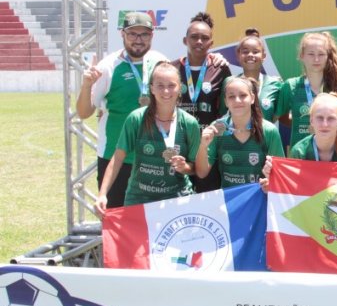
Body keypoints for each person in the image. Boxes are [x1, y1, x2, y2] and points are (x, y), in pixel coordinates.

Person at [76, 12, 168, 209]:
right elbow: (84, 113)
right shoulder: (108, 66)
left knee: (152, 222)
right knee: (116, 220)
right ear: (122, 34)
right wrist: (86, 85)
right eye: (132, 34)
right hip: (115, 158)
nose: (138, 40)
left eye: (144, 34)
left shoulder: (161, 62)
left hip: (153, 157)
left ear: (152, 36)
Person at [95, 62, 200, 215]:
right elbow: (117, 159)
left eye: (171, 85)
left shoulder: (190, 123)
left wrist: (185, 168)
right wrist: (102, 194)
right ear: (151, 88)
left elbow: (197, 167)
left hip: (177, 199)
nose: (166, 91)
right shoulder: (136, 118)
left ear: (180, 88)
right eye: (160, 85)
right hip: (139, 199)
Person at [195, 77, 285, 188]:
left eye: (243, 95)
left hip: (260, 198)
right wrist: (203, 146)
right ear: (226, 102)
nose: (237, 100)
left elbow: (280, 175)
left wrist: (270, 183)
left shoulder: (269, 130)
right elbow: (201, 173)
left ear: (252, 98)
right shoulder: (217, 129)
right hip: (228, 200)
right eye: (231, 96)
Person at [281, 32, 337, 152]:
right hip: (301, 155)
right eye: (311, 54)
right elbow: (281, 117)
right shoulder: (290, 86)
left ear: (328, 56)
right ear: (302, 56)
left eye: (321, 54)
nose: (316, 59)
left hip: (333, 155)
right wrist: (304, 123)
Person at [172, 12, 233, 129]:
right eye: (194, 37)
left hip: (210, 137)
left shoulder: (220, 69)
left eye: (205, 38)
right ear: (185, 40)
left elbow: (229, 106)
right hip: (179, 136)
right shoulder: (172, 69)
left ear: (211, 43)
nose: (199, 41)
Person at [229, 30, 288, 123]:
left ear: (264, 55)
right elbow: (219, 114)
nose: (250, 55)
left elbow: (284, 119)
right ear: (238, 55)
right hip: (237, 136)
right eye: (245, 51)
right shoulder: (230, 83)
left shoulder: (276, 84)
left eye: (255, 51)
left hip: (266, 137)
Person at [289, 93, 337, 162]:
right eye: (320, 118)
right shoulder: (299, 152)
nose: (325, 124)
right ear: (311, 120)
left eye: (331, 118)